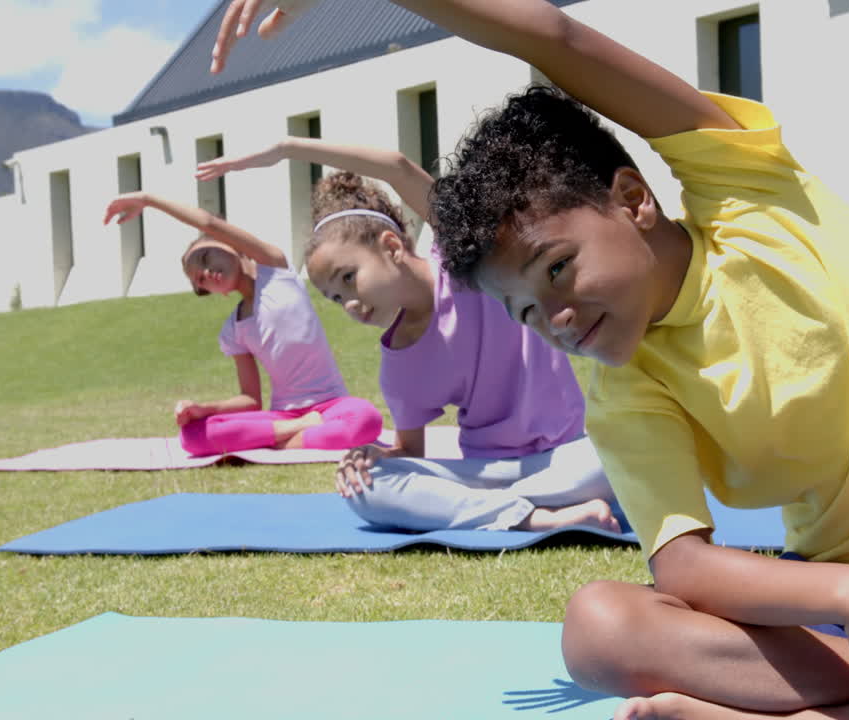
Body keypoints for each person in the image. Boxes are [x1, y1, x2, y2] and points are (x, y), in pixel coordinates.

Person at [212, 2, 849, 720]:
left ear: (632, 199)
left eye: (559, 269)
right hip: (835, 610)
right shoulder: (625, 386)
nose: (555, 315)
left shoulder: (752, 195)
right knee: (600, 626)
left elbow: (556, 38)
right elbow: (685, 567)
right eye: (526, 310)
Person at [198, 137, 619, 533]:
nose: (350, 304)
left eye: (350, 277)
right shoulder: (399, 364)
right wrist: (371, 457)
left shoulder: (464, 259)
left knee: (624, 450)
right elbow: (410, 452)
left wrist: (288, 148)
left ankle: (513, 507)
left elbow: (398, 168)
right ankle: (533, 518)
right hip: (488, 473)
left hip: (570, 457)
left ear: (392, 246)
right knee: (368, 488)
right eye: (334, 297)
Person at [101, 191, 382, 455]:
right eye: (199, 279)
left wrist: (148, 200)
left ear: (230, 246)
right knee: (192, 436)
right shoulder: (233, 330)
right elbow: (251, 400)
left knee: (366, 419)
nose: (207, 272)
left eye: (206, 258)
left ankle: (280, 442)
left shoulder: (275, 269)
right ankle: (295, 432)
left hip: (331, 405)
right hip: (284, 414)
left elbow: (208, 223)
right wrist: (204, 409)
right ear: (214, 292)